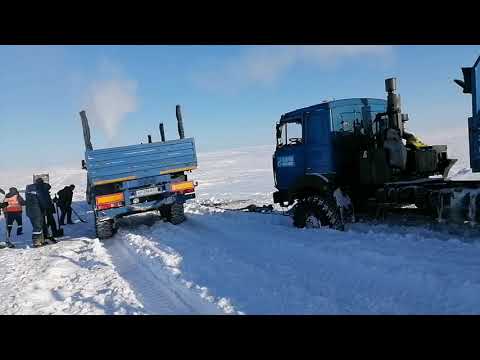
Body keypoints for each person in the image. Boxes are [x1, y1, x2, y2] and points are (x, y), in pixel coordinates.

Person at [25, 178, 56, 247]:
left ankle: (42, 240)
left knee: (41, 225)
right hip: (36, 211)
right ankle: (36, 242)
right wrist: (48, 207)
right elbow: (42, 201)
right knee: (38, 226)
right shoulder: (40, 189)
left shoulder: (30, 189)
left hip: (30, 211)